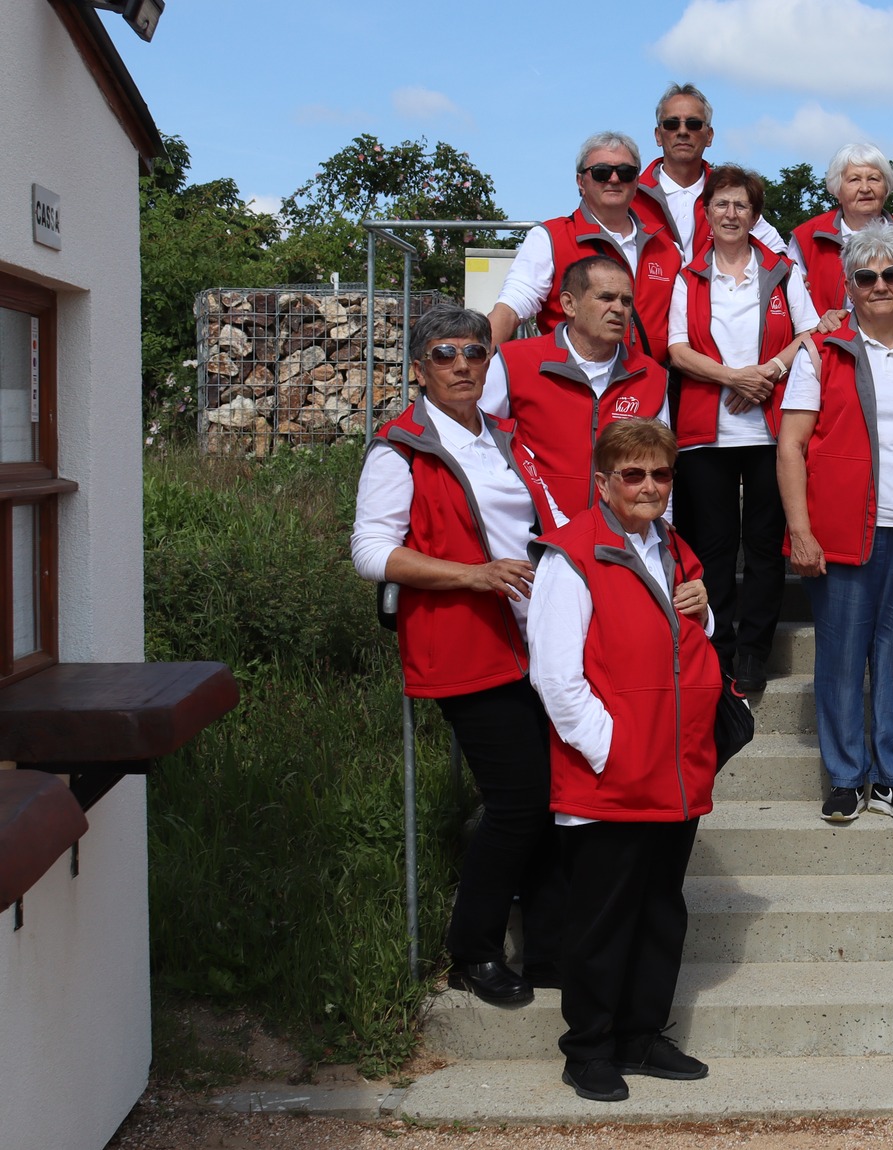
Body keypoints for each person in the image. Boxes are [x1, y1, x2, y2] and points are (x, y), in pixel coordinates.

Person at [351, 304, 566, 1008]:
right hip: (465, 645)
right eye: (445, 354)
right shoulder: (400, 449)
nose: (463, 365)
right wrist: (474, 575)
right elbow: (370, 552)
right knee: (519, 801)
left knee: (551, 798)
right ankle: (471, 951)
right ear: (419, 370)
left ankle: (547, 946)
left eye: (475, 352)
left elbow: (549, 522)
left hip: (536, 639)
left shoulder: (505, 436)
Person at [527, 417, 722, 1103]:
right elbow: (555, 678)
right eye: (633, 474)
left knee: (661, 913)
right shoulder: (570, 555)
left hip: (675, 770)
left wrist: (706, 609)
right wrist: (613, 750)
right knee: (602, 921)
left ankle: (641, 1035)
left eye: (660, 473)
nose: (648, 486)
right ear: (603, 482)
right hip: (611, 776)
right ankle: (588, 1049)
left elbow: (690, 639)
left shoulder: (673, 547)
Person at [777, 224, 893, 824]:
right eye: (866, 276)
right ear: (848, 286)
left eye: (892, 274)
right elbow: (790, 446)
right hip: (842, 530)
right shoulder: (821, 353)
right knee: (840, 659)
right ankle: (846, 777)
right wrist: (800, 531)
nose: (880, 285)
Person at [666, 165, 822, 694]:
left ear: (755, 215)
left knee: (762, 545)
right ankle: (718, 648)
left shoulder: (781, 270)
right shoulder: (688, 276)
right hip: (704, 433)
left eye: (741, 206)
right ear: (707, 212)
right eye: (722, 204)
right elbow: (677, 348)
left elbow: (810, 333)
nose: (731, 214)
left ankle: (754, 651)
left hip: (770, 431)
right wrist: (733, 377)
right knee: (711, 547)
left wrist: (768, 372)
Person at [482, 256, 669, 515]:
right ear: (569, 304)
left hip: (618, 533)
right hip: (533, 530)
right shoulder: (513, 362)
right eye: (606, 298)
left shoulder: (652, 377)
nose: (619, 309)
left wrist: (660, 523)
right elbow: (480, 445)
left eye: (626, 301)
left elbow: (659, 465)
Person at [490, 132, 682, 362]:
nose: (614, 179)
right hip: (569, 379)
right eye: (601, 172)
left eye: (625, 172)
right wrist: (476, 360)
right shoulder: (550, 238)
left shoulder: (668, 249)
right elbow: (511, 308)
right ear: (581, 182)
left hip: (645, 381)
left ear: (637, 182)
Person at [633, 83, 786, 260]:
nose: (682, 131)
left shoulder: (730, 192)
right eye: (671, 124)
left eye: (694, 124)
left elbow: (778, 253)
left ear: (709, 136)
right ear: (658, 135)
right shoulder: (632, 194)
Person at [789, 143, 893, 314]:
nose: (865, 188)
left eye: (873, 179)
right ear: (838, 191)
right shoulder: (807, 237)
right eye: (854, 180)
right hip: (828, 330)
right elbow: (794, 302)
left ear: (886, 188)